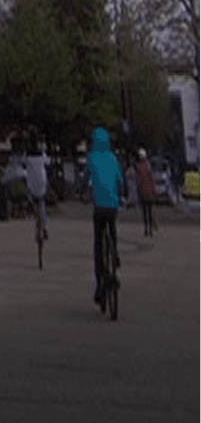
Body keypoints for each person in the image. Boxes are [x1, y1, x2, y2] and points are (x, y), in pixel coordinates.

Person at [85, 126, 124, 307]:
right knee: (112, 226)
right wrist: (122, 195)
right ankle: (115, 252)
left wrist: (81, 192)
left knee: (98, 242)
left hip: (99, 207)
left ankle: (101, 278)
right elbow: (120, 181)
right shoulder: (112, 158)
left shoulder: (92, 158)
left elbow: (85, 180)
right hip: (113, 206)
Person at [23, 137, 50, 239]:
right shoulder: (42, 153)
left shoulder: (27, 155)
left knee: (28, 191)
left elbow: (23, 163)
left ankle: (30, 205)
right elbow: (48, 162)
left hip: (31, 184)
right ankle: (44, 227)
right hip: (42, 183)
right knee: (42, 200)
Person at [132, 147, 158, 237]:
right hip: (149, 191)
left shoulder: (138, 167)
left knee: (144, 212)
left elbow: (138, 180)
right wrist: (154, 191)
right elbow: (152, 179)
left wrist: (138, 191)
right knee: (150, 211)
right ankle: (150, 229)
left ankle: (146, 228)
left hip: (142, 191)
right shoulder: (148, 165)